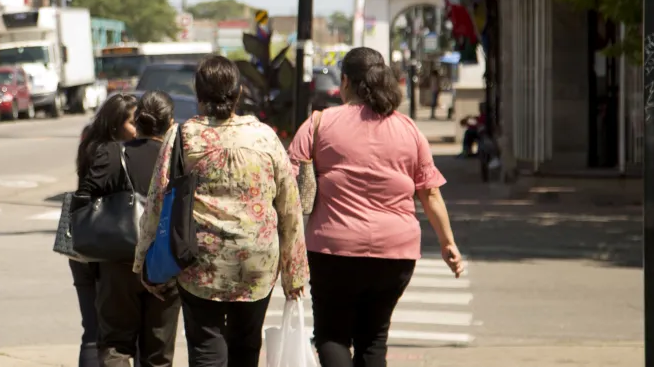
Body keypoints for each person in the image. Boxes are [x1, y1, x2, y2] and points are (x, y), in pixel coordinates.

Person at [288, 47, 465, 367]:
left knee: (332, 335)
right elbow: (431, 194)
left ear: (344, 82)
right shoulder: (408, 129)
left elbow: (287, 188)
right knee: (373, 339)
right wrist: (448, 243)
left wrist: (284, 249)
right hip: (395, 254)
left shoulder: (318, 124)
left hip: (333, 250)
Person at [135, 56, 306, 367]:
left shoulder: (182, 136)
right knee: (246, 346)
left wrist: (143, 262)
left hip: (200, 262)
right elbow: (290, 209)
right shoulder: (265, 136)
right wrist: (295, 274)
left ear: (199, 94)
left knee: (205, 349)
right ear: (238, 93)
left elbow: (158, 200)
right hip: (257, 262)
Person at [78, 91, 180, 367]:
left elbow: (83, 199)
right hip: (165, 264)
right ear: (170, 123)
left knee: (115, 344)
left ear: (139, 121)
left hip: (119, 263)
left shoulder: (114, 155)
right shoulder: (178, 160)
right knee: (158, 353)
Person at [72, 93, 138, 367]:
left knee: (92, 326)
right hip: (99, 247)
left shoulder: (92, 145)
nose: (138, 128)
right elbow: (87, 194)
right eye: (133, 122)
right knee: (99, 331)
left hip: (83, 244)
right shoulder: (112, 153)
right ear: (117, 124)